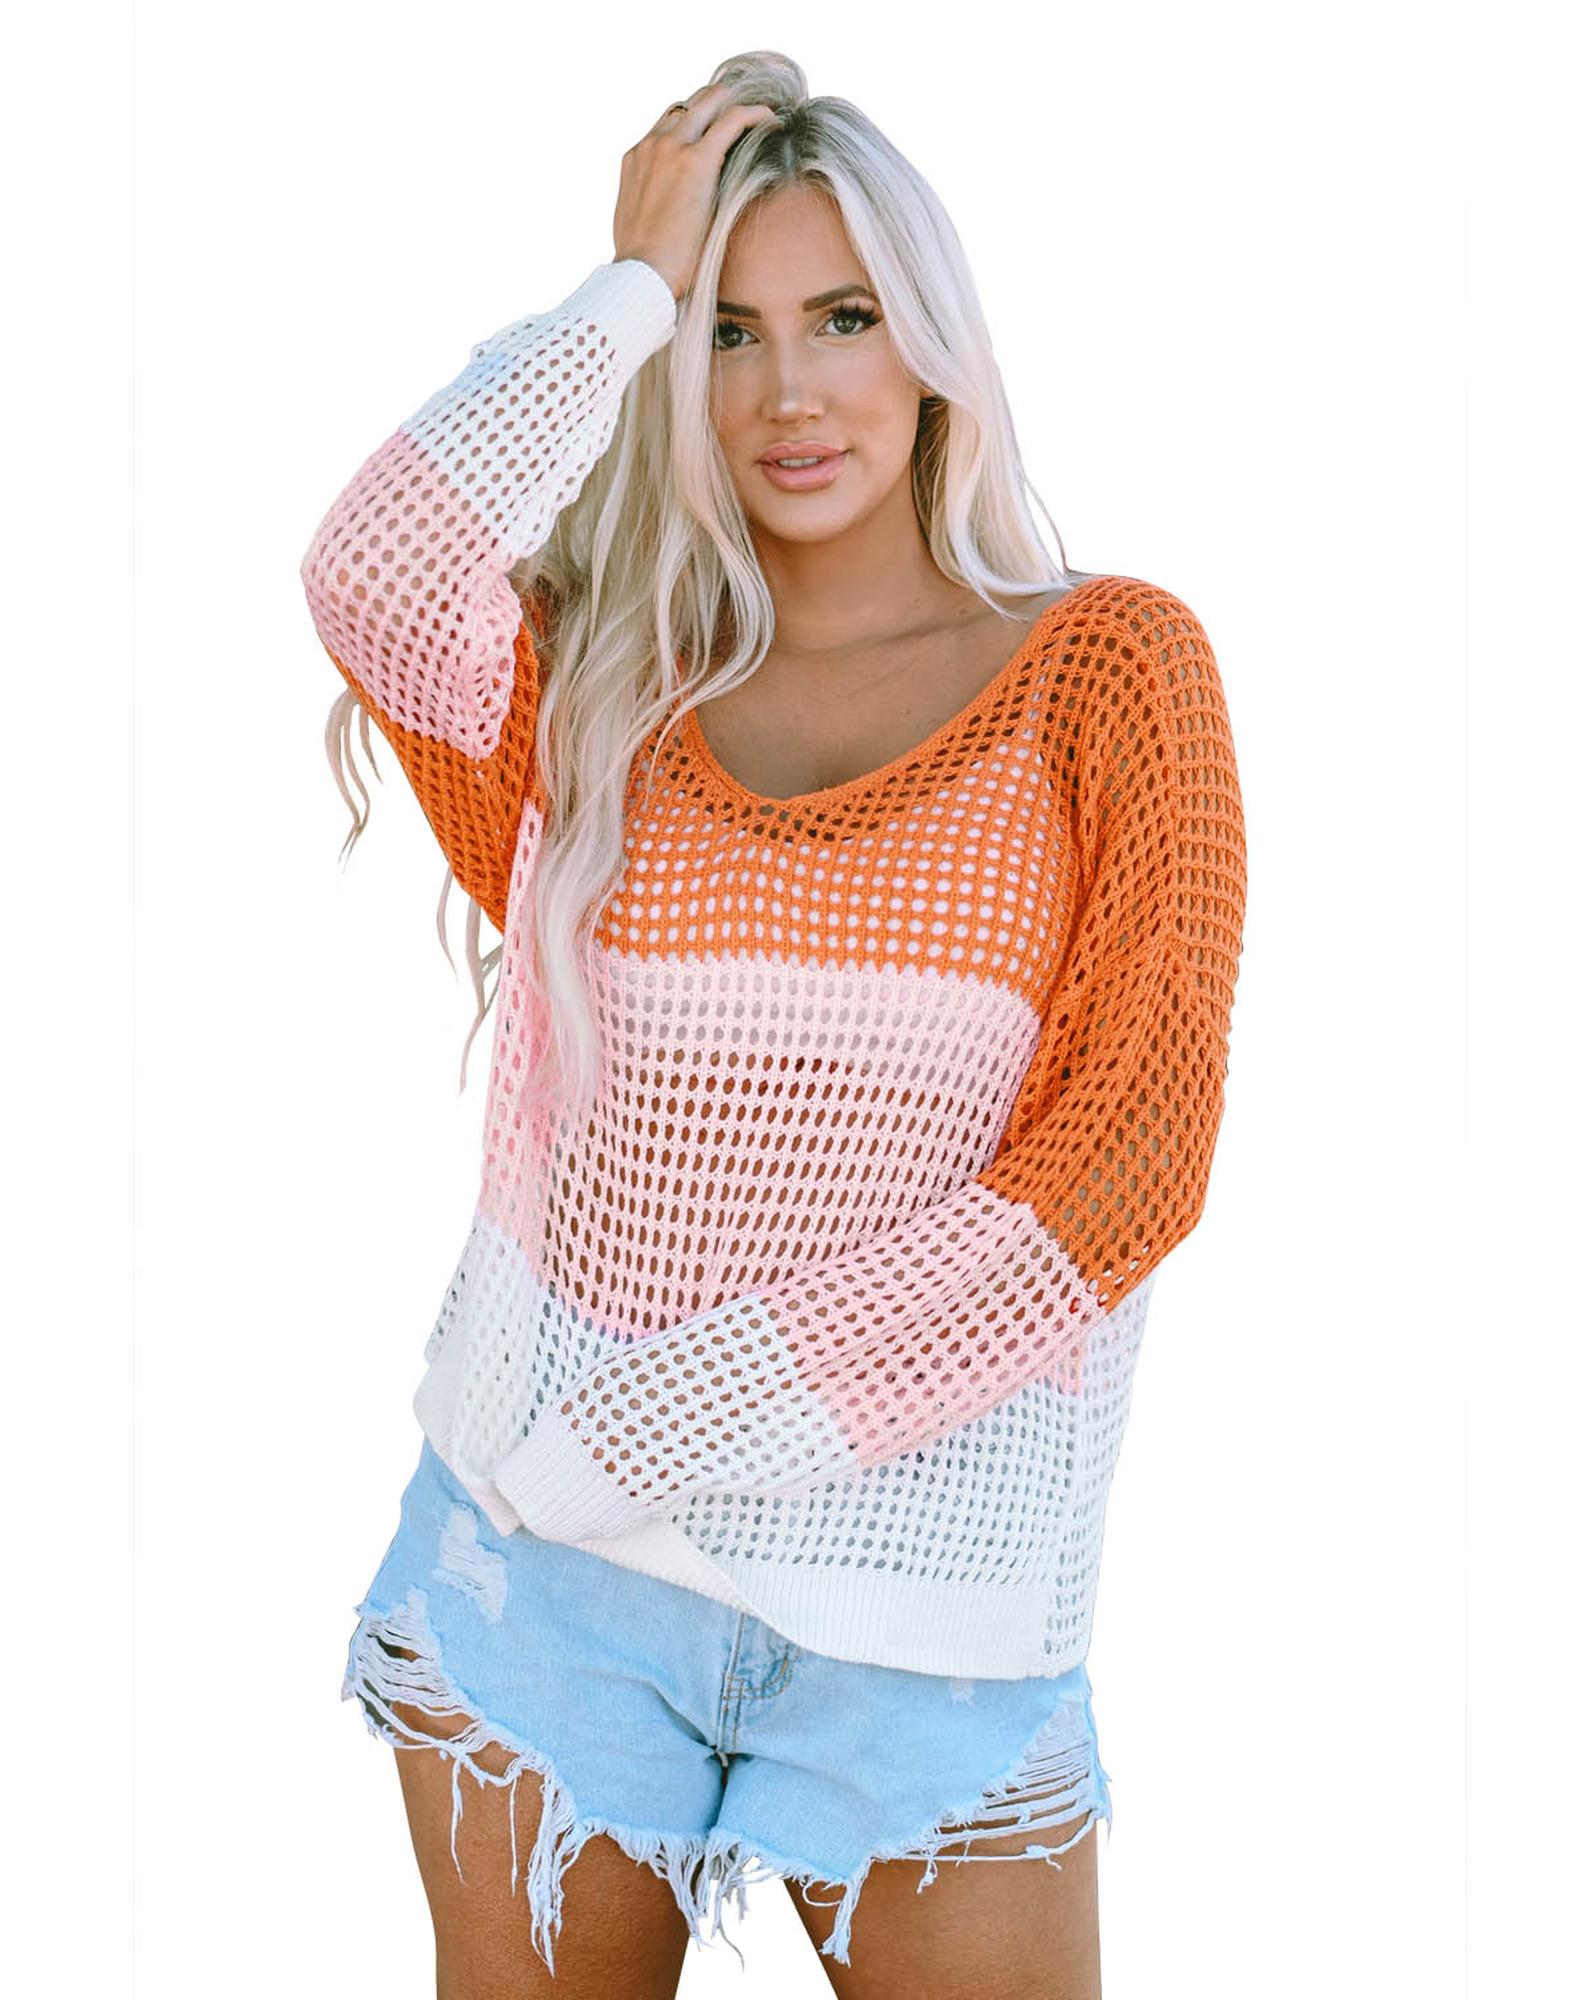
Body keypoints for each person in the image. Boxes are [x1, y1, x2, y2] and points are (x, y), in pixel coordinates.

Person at [300, 48, 1247, 2000]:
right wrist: (623, 288)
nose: (788, 391)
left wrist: (670, 1420)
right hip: (542, 1585)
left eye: (842, 318)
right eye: (726, 332)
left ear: (932, 343)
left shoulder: (1101, 669)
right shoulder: (600, 692)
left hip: (922, 1629)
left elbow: (1129, 1157)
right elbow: (375, 571)